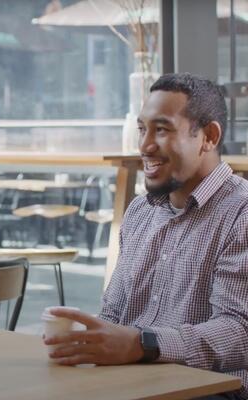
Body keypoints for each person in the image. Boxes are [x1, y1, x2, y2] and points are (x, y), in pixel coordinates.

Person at [43, 73, 248, 399]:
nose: (145, 146)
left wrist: (142, 344)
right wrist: (85, 336)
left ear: (208, 136)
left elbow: (240, 332)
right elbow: (114, 315)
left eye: (162, 129)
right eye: (143, 129)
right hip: (133, 385)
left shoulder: (242, 213)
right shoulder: (140, 212)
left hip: (210, 391)